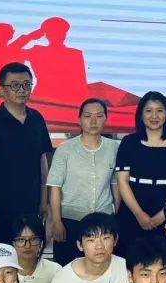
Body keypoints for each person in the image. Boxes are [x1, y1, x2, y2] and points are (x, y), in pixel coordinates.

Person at [0, 62, 53, 247]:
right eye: (15, 85)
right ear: (2, 90)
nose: (22, 90)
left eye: (27, 84)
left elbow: (42, 163)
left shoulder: (37, 119)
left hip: (30, 209)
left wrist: (44, 201)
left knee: (28, 257)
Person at [48, 98, 119, 265]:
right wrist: (56, 221)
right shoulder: (65, 149)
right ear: (79, 119)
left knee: (102, 267)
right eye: (88, 116)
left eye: (99, 116)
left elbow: (116, 185)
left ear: (106, 119)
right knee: (68, 267)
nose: (93, 121)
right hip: (71, 221)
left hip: (103, 222)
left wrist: (116, 217)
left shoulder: (114, 148)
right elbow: (55, 187)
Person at [115, 91, 166, 249]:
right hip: (132, 212)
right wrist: (139, 214)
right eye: (148, 111)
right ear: (141, 115)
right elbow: (122, 181)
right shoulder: (129, 142)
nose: (154, 116)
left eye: (159, 110)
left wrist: (163, 215)